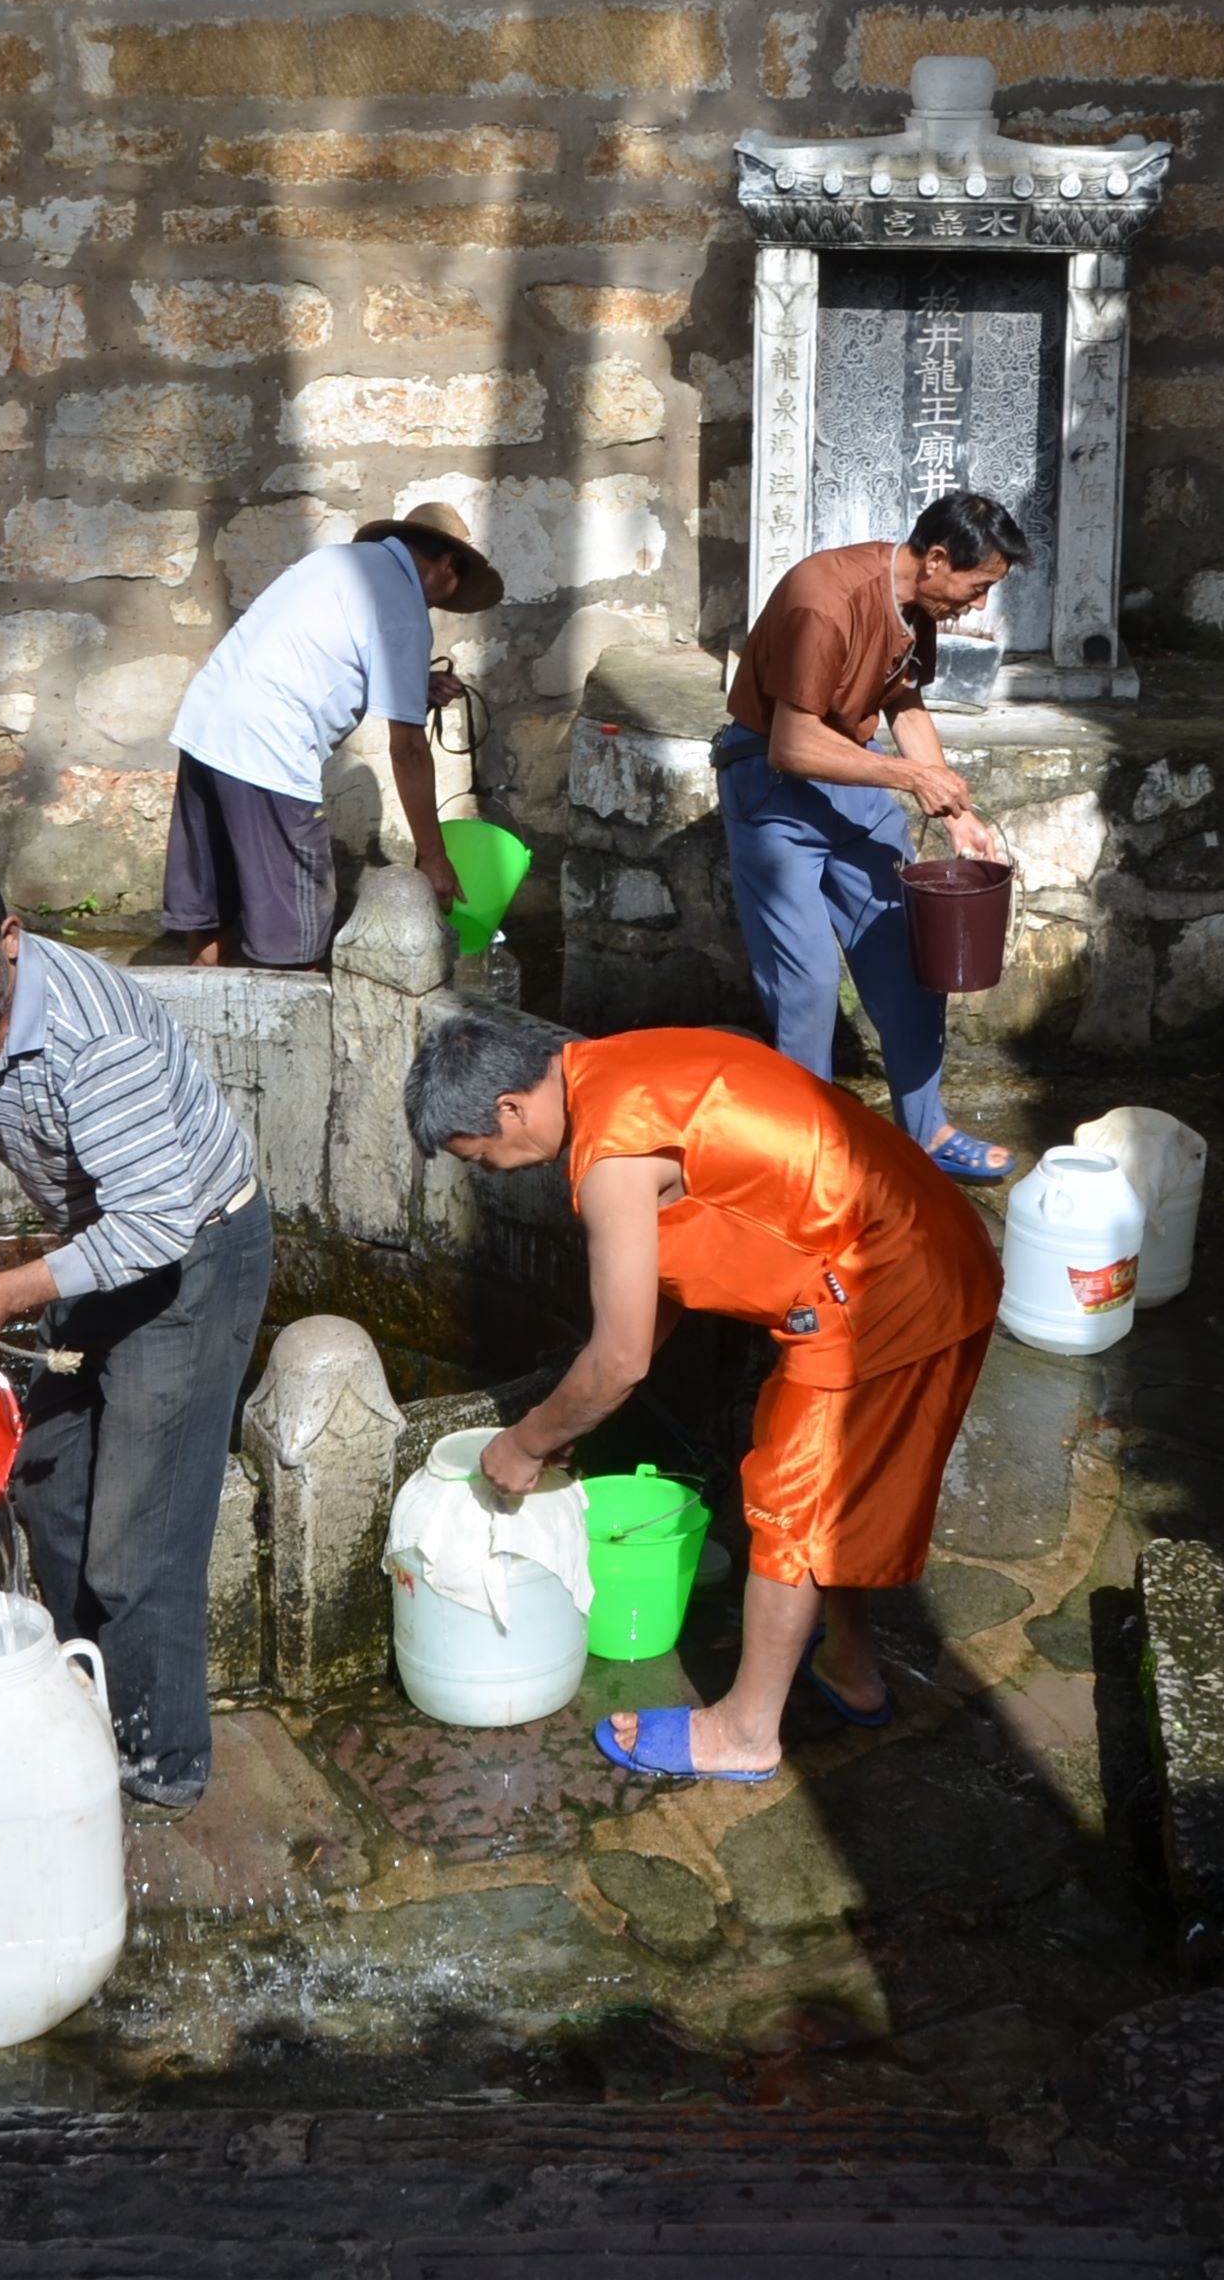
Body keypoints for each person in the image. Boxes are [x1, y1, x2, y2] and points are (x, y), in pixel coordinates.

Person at [411, 1007, 998, 1785]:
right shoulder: (615, 1063)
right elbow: (669, 1280)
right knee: (835, 1486)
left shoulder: (610, 1154)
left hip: (884, 1283)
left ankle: (746, 1732)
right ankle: (852, 1665)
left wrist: (520, 1443)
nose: (495, 1171)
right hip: (918, 1239)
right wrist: (572, 1419)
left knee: (794, 1498)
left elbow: (618, 1357)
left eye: (481, 1157)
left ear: (508, 1110)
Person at [0, 848, 273, 1807]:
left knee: (138, 1545)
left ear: (8, 940)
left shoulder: (94, 1036)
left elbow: (158, 1223)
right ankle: (93, 1705)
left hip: (195, 1256)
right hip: (97, 1247)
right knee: (45, 1481)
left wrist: (0, 1295)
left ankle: (161, 1768)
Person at [717, 491, 1033, 1180]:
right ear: (939, 559)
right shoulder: (822, 601)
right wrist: (912, 780)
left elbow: (902, 699)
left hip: (854, 783)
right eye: (978, 589)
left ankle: (926, 1132)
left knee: (913, 960)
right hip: (773, 788)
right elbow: (793, 746)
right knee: (807, 984)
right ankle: (807, 1153)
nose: (978, 606)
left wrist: (958, 812)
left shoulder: (918, 604)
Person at [160, 502, 505, 967]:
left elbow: (315, 653)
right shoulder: (402, 605)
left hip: (204, 730)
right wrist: (434, 858)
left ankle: (203, 1021)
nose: (438, 605)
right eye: (449, 592)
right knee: (294, 939)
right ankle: (286, 1030)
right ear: (447, 563)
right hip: (269, 753)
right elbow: (407, 751)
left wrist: (416, 686)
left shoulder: (332, 562)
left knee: (213, 910)